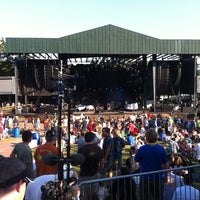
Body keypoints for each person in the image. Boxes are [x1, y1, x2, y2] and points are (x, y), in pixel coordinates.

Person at [135, 128, 169, 200]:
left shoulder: (142, 149)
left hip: (145, 177)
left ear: (146, 137)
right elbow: (166, 164)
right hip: (157, 177)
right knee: (158, 197)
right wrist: (165, 175)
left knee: (145, 197)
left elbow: (136, 159)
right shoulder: (161, 148)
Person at [78, 131, 104, 200]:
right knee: (94, 194)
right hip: (94, 174)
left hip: (84, 175)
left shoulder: (81, 149)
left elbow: (79, 162)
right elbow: (102, 162)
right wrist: (100, 170)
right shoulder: (98, 149)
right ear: (93, 139)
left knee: (84, 195)